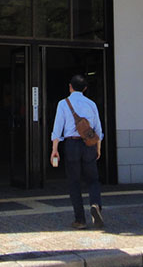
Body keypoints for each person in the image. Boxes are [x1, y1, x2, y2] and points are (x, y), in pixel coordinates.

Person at [50, 74, 104, 229]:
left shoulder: (63, 104)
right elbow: (98, 129)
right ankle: (95, 204)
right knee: (93, 179)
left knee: (74, 182)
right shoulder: (91, 104)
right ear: (85, 88)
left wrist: (55, 149)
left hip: (71, 144)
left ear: (70, 87)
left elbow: (58, 127)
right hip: (89, 144)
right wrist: (98, 147)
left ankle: (80, 220)